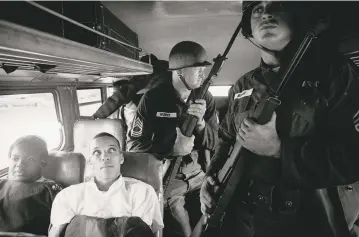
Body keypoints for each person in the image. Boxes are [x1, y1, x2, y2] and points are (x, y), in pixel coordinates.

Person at [200, 1, 359, 237]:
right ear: (249, 28)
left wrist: (280, 150)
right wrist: (210, 177)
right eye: (258, 9)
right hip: (241, 216)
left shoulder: (336, 73)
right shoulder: (242, 85)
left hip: (309, 220)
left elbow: (352, 157)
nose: (266, 14)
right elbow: (226, 138)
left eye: (277, 5)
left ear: (295, 16)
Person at [127, 41, 219, 237]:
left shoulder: (205, 97)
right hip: (169, 173)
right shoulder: (152, 98)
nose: (203, 74)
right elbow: (134, 145)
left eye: (204, 68)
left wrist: (202, 125)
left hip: (198, 171)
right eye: (197, 69)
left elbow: (216, 141)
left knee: (212, 220)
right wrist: (170, 148)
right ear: (179, 72)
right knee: (183, 230)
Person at [49, 132, 163, 237]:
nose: (105, 157)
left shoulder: (143, 192)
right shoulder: (68, 196)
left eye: (112, 150)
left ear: (121, 158)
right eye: (97, 152)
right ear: (90, 162)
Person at [0, 135, 62, 234]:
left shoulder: (50, 189)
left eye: (30, 159)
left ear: (43, 163)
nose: (20, 164)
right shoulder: (1, 184)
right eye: (15, 158)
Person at [92, 54, 169, 119]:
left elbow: (122, 94)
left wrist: (98, 115)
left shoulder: (145, 72)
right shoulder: (170, 68)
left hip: (157, 109)